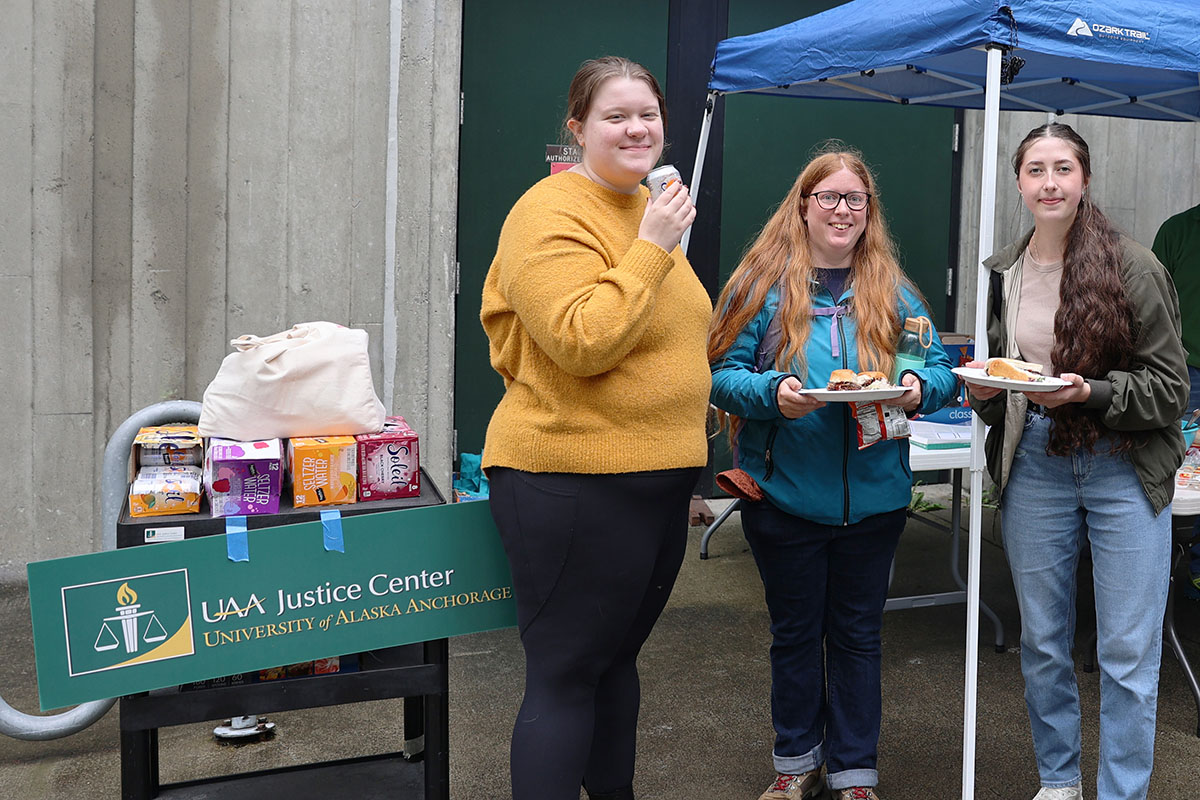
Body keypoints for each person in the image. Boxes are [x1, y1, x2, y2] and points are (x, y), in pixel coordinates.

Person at [479, 56, 711, 800]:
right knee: (567, 673)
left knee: (614, 665)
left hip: (654, 483)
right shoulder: (549, 213)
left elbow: (669, 343)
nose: (638, 128)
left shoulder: (651, 207)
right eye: (616, 115)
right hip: (570, 481)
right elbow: (582, 339)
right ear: (577, 127)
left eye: (649, 113)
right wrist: (651, 246)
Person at [708, 145, 957, 800]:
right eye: (829, 197)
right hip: (785, 500)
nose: (842, 210)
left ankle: (853, 774)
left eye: (855, 199)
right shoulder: (759, 289)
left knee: (857, 638)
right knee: (793, 638)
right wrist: (774, 394)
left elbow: (939, 376)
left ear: (868, 211)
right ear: (803, 205)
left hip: (874, 503)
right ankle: (795, 765)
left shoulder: (895, 293)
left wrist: (911, 385)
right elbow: (720, 377)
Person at [962, 122, 1187, 800]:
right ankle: (1058, 781)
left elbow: (1170, 389)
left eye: (1064, 168)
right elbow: (1011, 377)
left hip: (1124, 464)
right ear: (1020, 183)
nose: (1050, 182)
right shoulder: (1004, 270)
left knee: (1125, 651)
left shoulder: (1134, 267)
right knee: (1042, 641)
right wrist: (986, 393)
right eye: (1036, 170)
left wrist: (1089, 391)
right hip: (1036, 460)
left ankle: (1122, 792)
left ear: (1085, 179)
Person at [1152, 201, 1200, 601]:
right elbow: (1154, 307)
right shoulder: (1178, 230)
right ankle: (1156, 579)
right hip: (1186, 375)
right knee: (1177, 479)